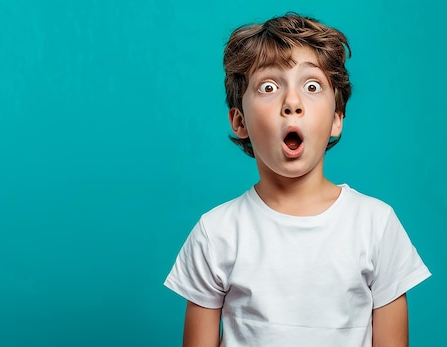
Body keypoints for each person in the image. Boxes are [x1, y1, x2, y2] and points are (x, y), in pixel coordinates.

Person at [164, 12, 431, 347]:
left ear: (336, 118)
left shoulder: (376, 226)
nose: (292, 103)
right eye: (269, 87)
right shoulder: (215, 233)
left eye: (312, 86)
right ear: (239, 120)